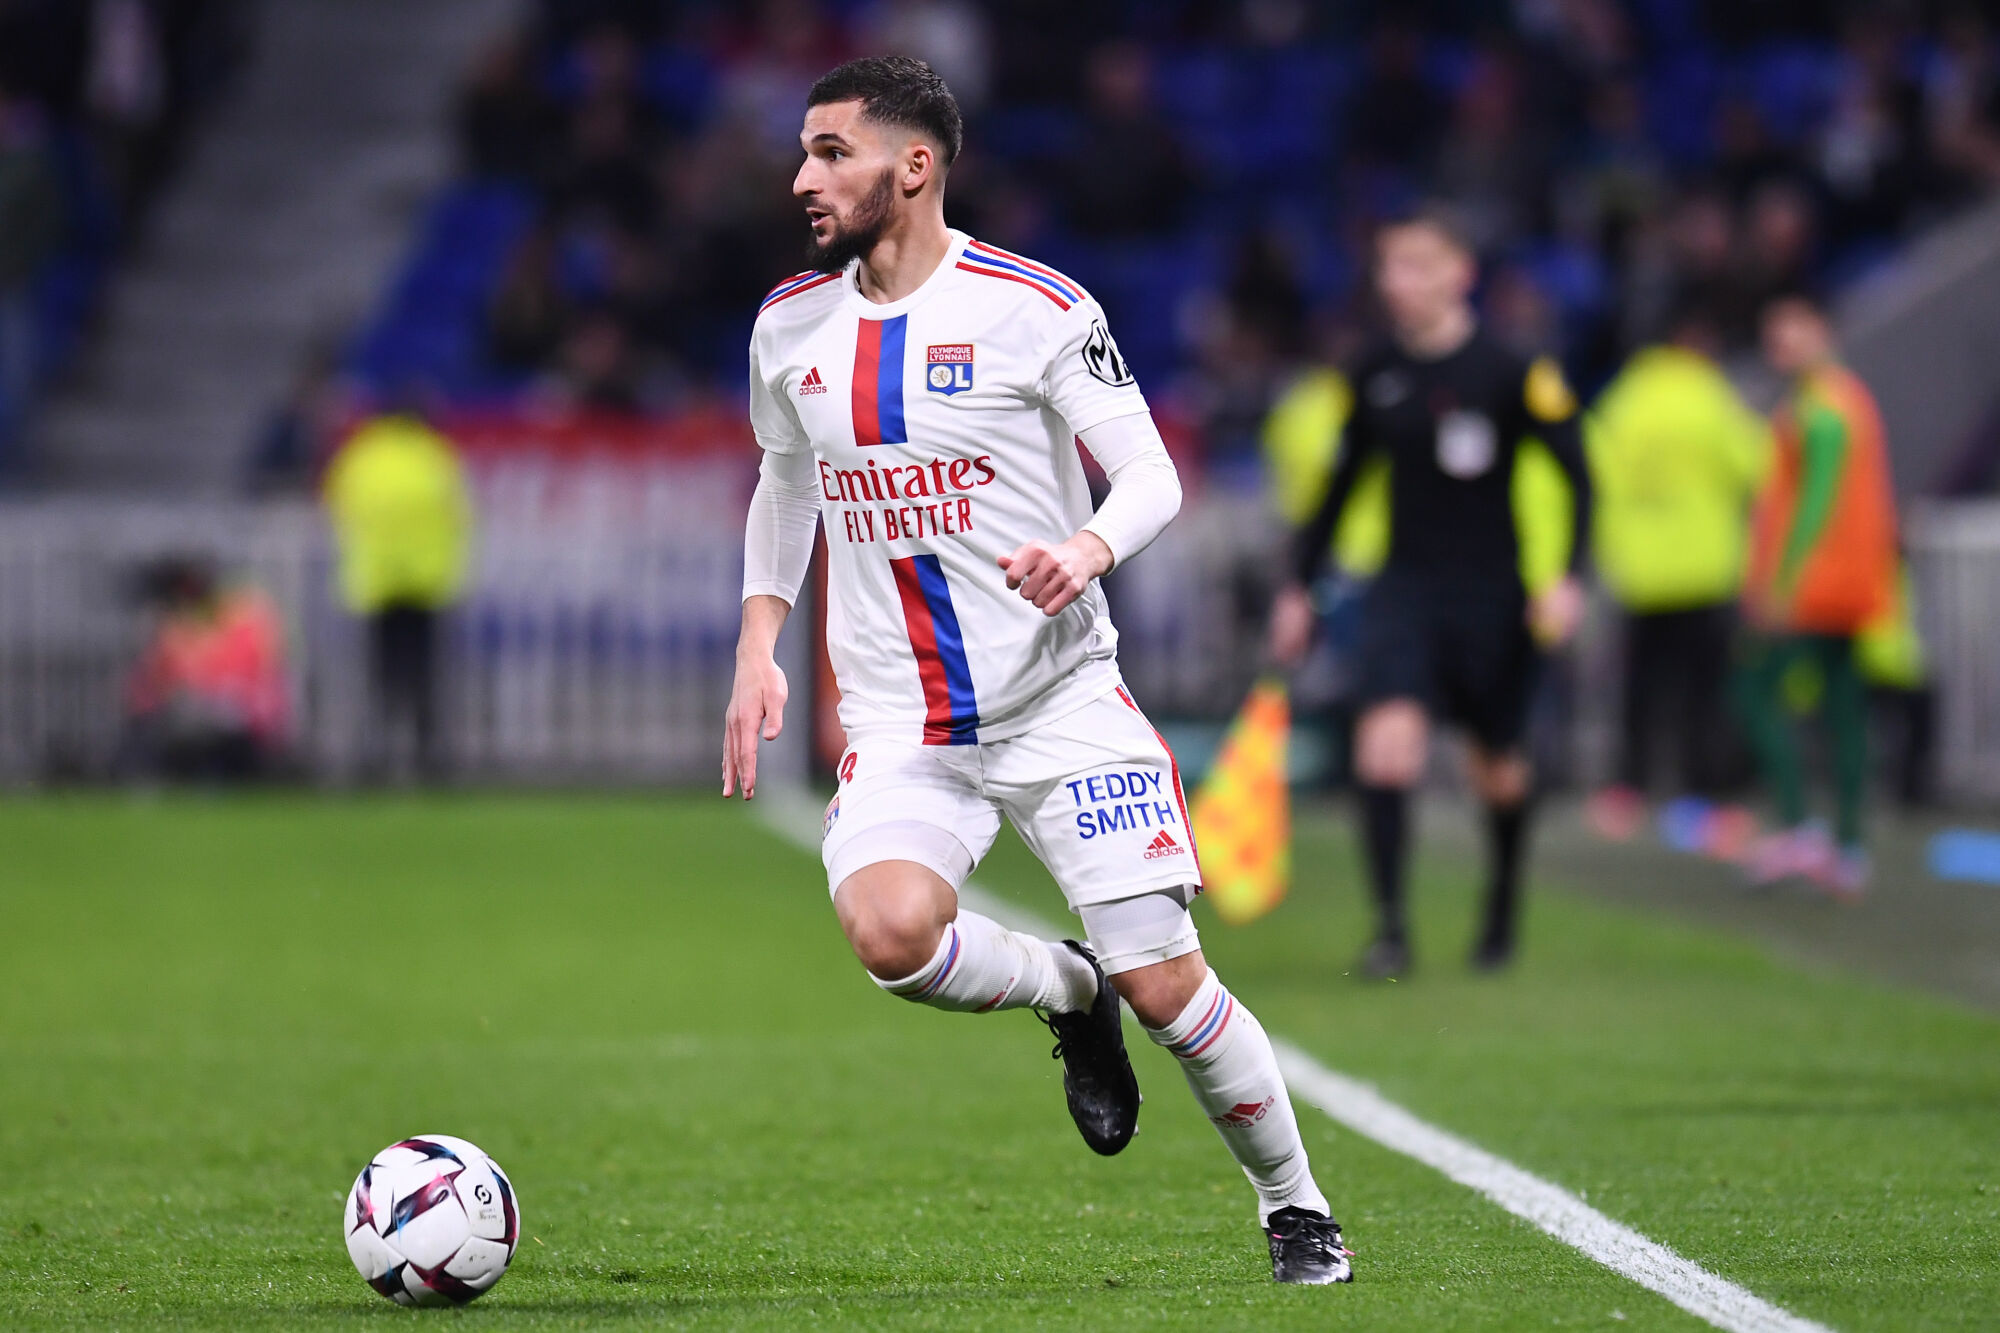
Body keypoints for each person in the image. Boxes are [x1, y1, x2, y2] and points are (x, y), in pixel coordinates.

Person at [723, 56, 1350, 1286]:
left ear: (913, 166)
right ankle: (1063, 987)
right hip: (905, 721)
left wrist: (1086, 546)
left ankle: (1295, 1206)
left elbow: (1151, 475)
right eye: (803, 150)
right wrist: (758, 640)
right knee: (891, 936)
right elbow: (784, 482)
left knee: (1166, 988)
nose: (802, 177)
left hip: (1059, 705)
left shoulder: (1035, 307)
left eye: (831, 152)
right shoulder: (789, 325)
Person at [1268, 207, 1593, 978]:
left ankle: (1501, 908)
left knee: (1499, 770)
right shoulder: (1373, 371)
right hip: (1405, 589)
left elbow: (1578, 475)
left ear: (1459, 274)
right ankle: (1390, 930)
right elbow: (1340, 488)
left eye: (1415, 265)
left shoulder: (1513, 369)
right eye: (1389, 266)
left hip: (1493, 596)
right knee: (1385, 749)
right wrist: (1298, 588)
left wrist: (1567, 577)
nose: (1397, 282)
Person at [1584, 309, 1770, 845]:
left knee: (1639, 690)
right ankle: (1698, 799)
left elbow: (1598, 476)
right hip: (1705, 568)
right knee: (1702, 693)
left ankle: (1627, 793)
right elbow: (1755, 467)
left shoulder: (1625, 399)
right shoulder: (1710, 396)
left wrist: (1615, 547)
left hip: (1641, 570)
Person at [1740, 292, 1898, 898]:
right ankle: (1848, 847)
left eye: (1792, 334)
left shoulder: (1821, 406)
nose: (1781, 348)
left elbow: (1815, 502)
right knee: (1844, 708)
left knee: (1752, 691)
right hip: (1853, 582)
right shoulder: (1844, 398)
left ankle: (1799, 828)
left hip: (1815, 586)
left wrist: (1781, 582)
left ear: (1823, 332)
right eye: (1773, 337)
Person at [323, 401, 474, 782]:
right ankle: (430, 759)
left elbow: (338, 504)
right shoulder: (433, 455)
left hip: (378, 580)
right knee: (424, 675)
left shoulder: (363, 456)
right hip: (426, 579)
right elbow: (459, 511)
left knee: (380, 675)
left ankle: (374, 756)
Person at [122, 556, 289, 781]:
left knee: (222, 712)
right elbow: (159, 677)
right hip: (193, 710)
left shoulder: (241, 613)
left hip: (241, 713)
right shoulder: (177, 626)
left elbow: (250, 670)